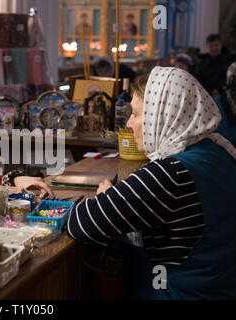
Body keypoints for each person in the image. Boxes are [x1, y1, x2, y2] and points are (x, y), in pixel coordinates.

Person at [67, 67, 236, 299]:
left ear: (162, 117)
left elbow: (82, 223)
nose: (128, 123)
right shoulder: (217, 151)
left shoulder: (171, 174)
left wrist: (107, 199)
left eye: (136, 114)